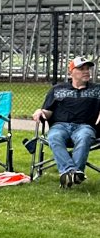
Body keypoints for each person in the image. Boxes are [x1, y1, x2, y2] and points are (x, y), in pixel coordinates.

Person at [32, 56, 99, 187]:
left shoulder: (97, 89)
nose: (86, 72)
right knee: (54, 136)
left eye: (87, 69)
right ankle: (73, 172)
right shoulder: (57, 89)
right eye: (81, 69)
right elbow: (48, 111)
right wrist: (40, 111)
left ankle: (69, 174)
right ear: (71, 72)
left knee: (84, 137)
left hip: (85, 126)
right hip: (60, 126)